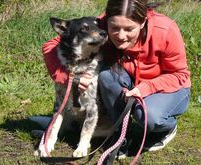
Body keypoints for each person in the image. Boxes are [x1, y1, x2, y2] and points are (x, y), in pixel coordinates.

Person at [42, 0, 191, 159]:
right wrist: (67, 78)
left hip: (167, 86)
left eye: (129, 29)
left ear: (142, 22)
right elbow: (50, 45)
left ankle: (166, 129)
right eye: (114, 28)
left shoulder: (165, 30)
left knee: (150, 117)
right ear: (107, 22)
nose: (121, 36)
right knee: (106, 75)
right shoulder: (101, 24)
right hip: (127, 79)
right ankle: (120, 134)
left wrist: (145, 88)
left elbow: (179, 75)